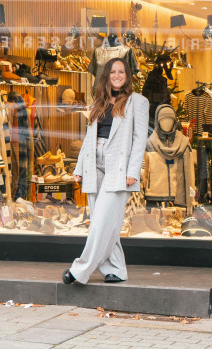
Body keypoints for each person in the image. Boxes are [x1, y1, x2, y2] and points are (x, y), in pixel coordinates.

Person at [62, 57, 149, 285]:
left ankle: (80, 269)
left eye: (122, 71)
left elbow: (140, 140)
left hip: (118, 168)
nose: (118, 75)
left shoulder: (137, 102)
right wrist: (80, 167)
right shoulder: (98, 102)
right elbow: (89, 138)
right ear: (107, 76)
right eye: (113, 72)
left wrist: (134, 170)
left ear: (127, 76)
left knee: (100, 222)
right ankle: (117, 270)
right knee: (106, 223)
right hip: (94, 163)